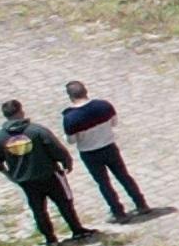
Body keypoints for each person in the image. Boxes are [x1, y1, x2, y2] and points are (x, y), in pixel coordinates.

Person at [0, 101, 83, 245]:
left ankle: (50, 239)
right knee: (64, 203)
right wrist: (66, 162)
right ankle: (77, 230)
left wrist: (9, 175)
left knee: (38, 210)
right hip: (49, 175)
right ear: (20, 112)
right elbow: (56, 148)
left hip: (26, 181)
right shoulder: (37, 131)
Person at [55, 81, 147, 221]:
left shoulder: (70, 118)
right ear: (86, 91)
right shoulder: (104, 105)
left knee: (103, 183)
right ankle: (141, 204)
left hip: (90, 153)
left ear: (70, 96)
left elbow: (71, 140)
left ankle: (118, 212)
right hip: (109, 146)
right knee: (124, 176)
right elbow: (114, 123)